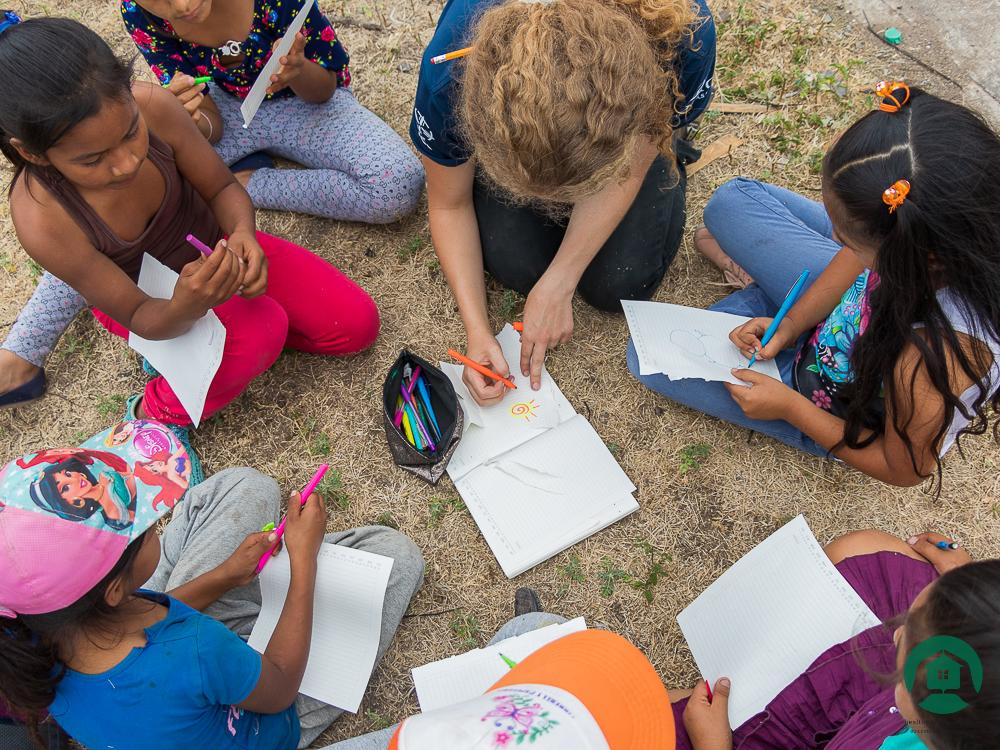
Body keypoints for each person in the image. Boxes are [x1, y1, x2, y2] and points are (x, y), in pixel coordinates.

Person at [0, 16, 382, 476]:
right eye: (93, 159)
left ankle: (215, 350)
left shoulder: (154, 107)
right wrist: (186, 307)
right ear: (33, 153)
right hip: (151, 301)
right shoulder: (43, 218)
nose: (126, 162)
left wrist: (242, 235)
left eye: (128, 133)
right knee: (261, 332)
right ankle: (154, 412)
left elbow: (223, 189)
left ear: (128, 91)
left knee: (355, 326)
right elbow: (141, 314)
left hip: (216, 248)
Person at [628, 83, 1000, 487]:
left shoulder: (934, 360)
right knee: (733, 201)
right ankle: (771, 290)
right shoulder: (928, 233)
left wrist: (789, 408)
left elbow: (903, 468)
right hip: (849, 311)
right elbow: (853, 264)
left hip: (830, 395)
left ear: (913, 253)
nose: (840, 243)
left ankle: (760, 287)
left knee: (646, 359)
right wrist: (789, 326)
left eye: (846, 238)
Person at [0, 422, 425, 750]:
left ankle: (254, 588)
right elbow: (278, 687)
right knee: (395, 557)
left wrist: (226, 575)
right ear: (112, 589)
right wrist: (303, 563)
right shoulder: (195, 648)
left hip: (180, 685)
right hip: (266, 717)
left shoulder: (33, 644)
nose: (157, 522)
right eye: (145, 527)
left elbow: (144, 624)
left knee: (246, 486)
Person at [413, 0, 715, 402]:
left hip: (638, 109)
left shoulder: (682, 37)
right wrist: (478, 331)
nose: (556, 205)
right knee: (517, 264)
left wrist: (560, 281)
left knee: (619, 284)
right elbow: (450, 204)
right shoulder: (451, 67)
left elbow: (642, 150)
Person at [676, 529, 999, 749]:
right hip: (876, 714)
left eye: (907, 634)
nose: (897, 632)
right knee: (864, 548)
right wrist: (966, 596)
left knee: (654, 720)